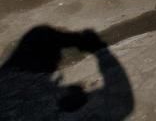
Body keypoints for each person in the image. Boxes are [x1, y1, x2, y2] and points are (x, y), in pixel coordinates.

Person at [0, 26, 134, 120]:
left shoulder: (9, 81)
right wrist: (101, 51)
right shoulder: (58, 105)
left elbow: (39, 37)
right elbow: (122, 101)